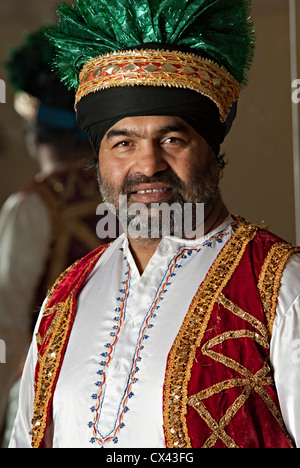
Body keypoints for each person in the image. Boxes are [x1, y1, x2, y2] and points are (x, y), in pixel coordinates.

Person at [9, 0, 300, 449]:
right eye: (123, 142)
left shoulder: (280, 288)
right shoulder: (67, 296)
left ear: (212, 149)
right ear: (100, 159)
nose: (148, 164)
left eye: (172, 139)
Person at [0, 28, 105, 445]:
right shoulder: (134, 197)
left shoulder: (31, 206)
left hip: (46, 404)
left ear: (36, 129)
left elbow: (6, 326)